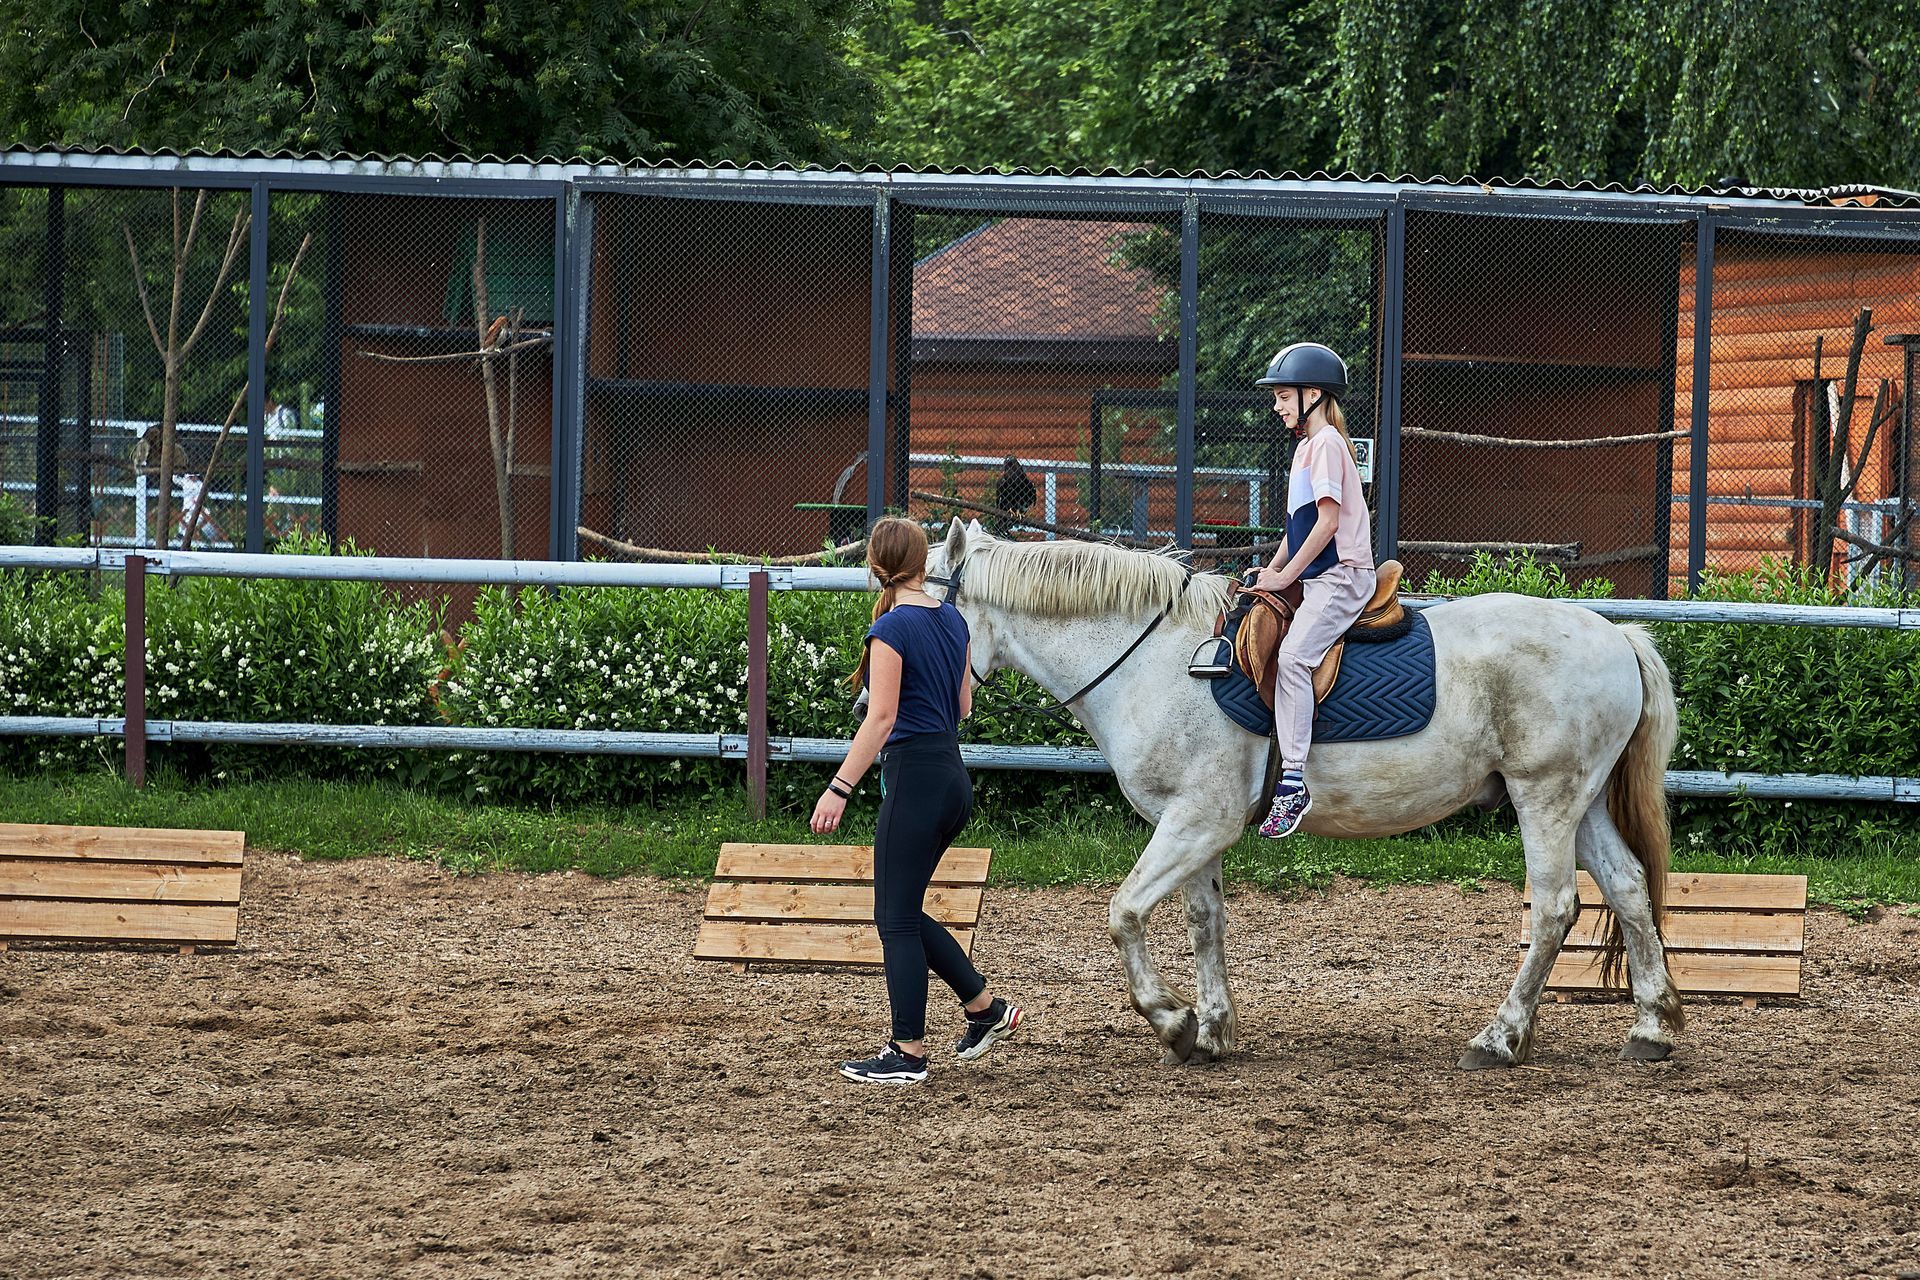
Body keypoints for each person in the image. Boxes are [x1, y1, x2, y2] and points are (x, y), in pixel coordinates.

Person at [810, 515, 1024, 1084]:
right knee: (902, 910)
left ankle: (907, 1052)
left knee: (894, 920)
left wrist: (839, 788)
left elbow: (879, 718)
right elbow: (964, 710)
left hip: (914, 779)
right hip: (952, 777)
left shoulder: (890, 630)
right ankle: (985, 1009)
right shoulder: (952, 620)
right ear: (922, 562)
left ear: (875, 566)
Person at [1251, 343, 1378, 838]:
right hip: (1317, 574)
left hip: (1343, 575)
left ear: (1313, 394)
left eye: (1283, 396)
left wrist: (1286, 579)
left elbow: (1327, 523)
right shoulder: (1307, 446)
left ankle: (1292, 781)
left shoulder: (1326, 444)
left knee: (1294, 658)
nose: (1277, 406)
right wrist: (1272, 570)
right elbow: (1297, 529)